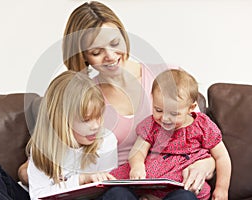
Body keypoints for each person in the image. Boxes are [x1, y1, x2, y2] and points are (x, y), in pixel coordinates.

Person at [59, 1, 216, 198]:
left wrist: (206, 164)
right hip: (121, 187)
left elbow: (204, 137)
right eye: (96, 52)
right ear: (83, 57)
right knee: (118, 195)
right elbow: (42, 161)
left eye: (115, 43)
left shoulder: (168, 75)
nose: (110, 56)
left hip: (172, 185)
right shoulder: (83, 97)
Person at [121, 69, 231, 200]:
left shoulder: (202, 125)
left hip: (182, 190)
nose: (165, 118)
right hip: (149, 189)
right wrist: (137, 165)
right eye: (159, 110)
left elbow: (222, 157)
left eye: (174, 113)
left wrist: (221, 188)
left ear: (191, 108)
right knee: (117, 192)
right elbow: (138, 151)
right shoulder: (152, 125)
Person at [27, 70, 133, 199]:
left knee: (119, 193)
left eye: (98, 116)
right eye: (86, 120)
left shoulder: (106, 141)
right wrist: (80, 180)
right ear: (62, 120)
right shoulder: (43, 149)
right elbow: (37, 196)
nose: (95, 126)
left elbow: (108, 190)